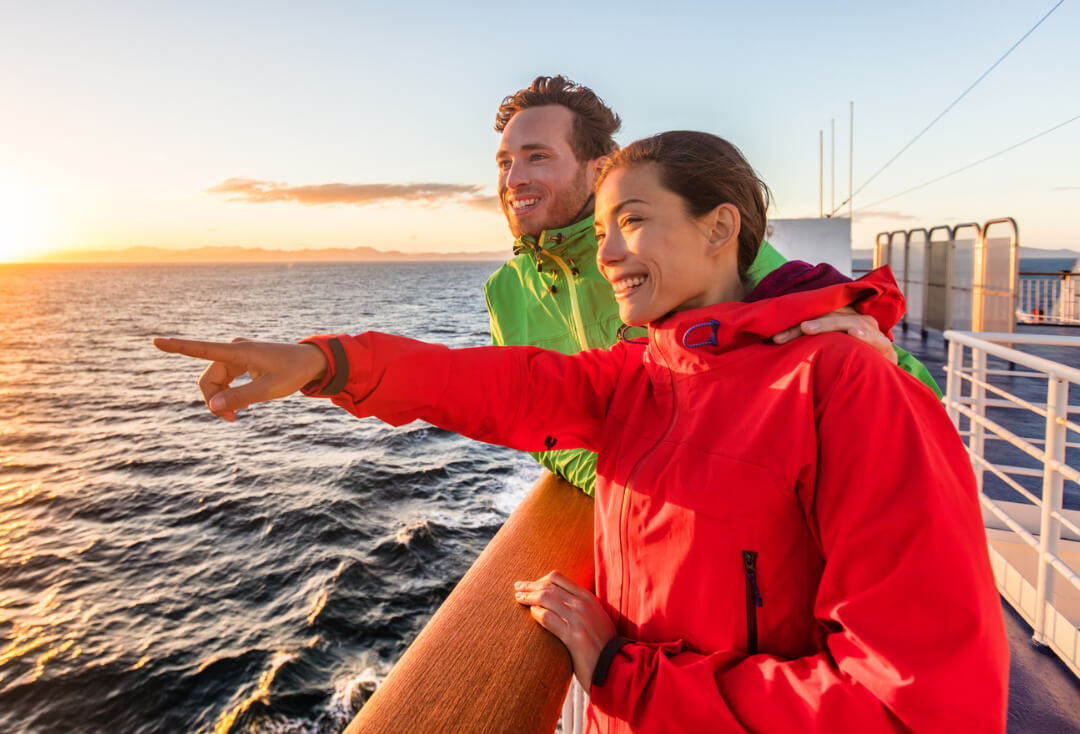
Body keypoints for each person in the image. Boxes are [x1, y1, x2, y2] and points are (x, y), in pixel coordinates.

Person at [154, 131, 1007, 732]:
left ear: (721, 229)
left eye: (632, 220)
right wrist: (326, 363)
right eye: (599, 231)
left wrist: (619, 674)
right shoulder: (644, 373)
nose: (606, 254)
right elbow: (498, 383)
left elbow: (918, 707)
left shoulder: (842, 382)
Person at [485, 76, 941, 495]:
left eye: (537, 157)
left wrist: (890, 372)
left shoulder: (685, 246)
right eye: (505, 162)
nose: (513, 179)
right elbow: (528, 418)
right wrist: (614, 479)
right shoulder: (505, 292)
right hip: (637, 519)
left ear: (597, 170)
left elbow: (905, 392)